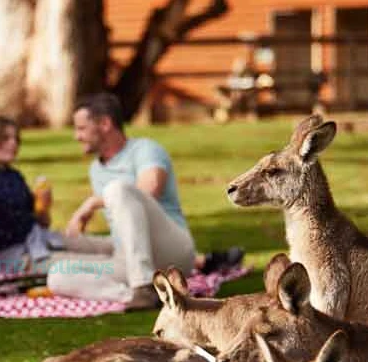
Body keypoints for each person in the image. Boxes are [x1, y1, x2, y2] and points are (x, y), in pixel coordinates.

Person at [51, 92, 243, 310]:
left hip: (172, 252)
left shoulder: (145, 150)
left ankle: (143, 285)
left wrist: (91, 203)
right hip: (128, 261)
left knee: (118, 189)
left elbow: (149, 191)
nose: (77, 136)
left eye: (82, 128)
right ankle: (139, 295)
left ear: (104, 124)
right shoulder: (96, 169)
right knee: (59, 274)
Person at [0, 116, 61, 275]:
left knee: (98, 247)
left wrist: (44, 207)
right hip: (12, 258)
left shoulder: (13, 175)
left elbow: (42, 222)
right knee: (91, 265)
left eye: (16, 139)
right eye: (5, 138)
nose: (14, 144)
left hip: (37, 241)